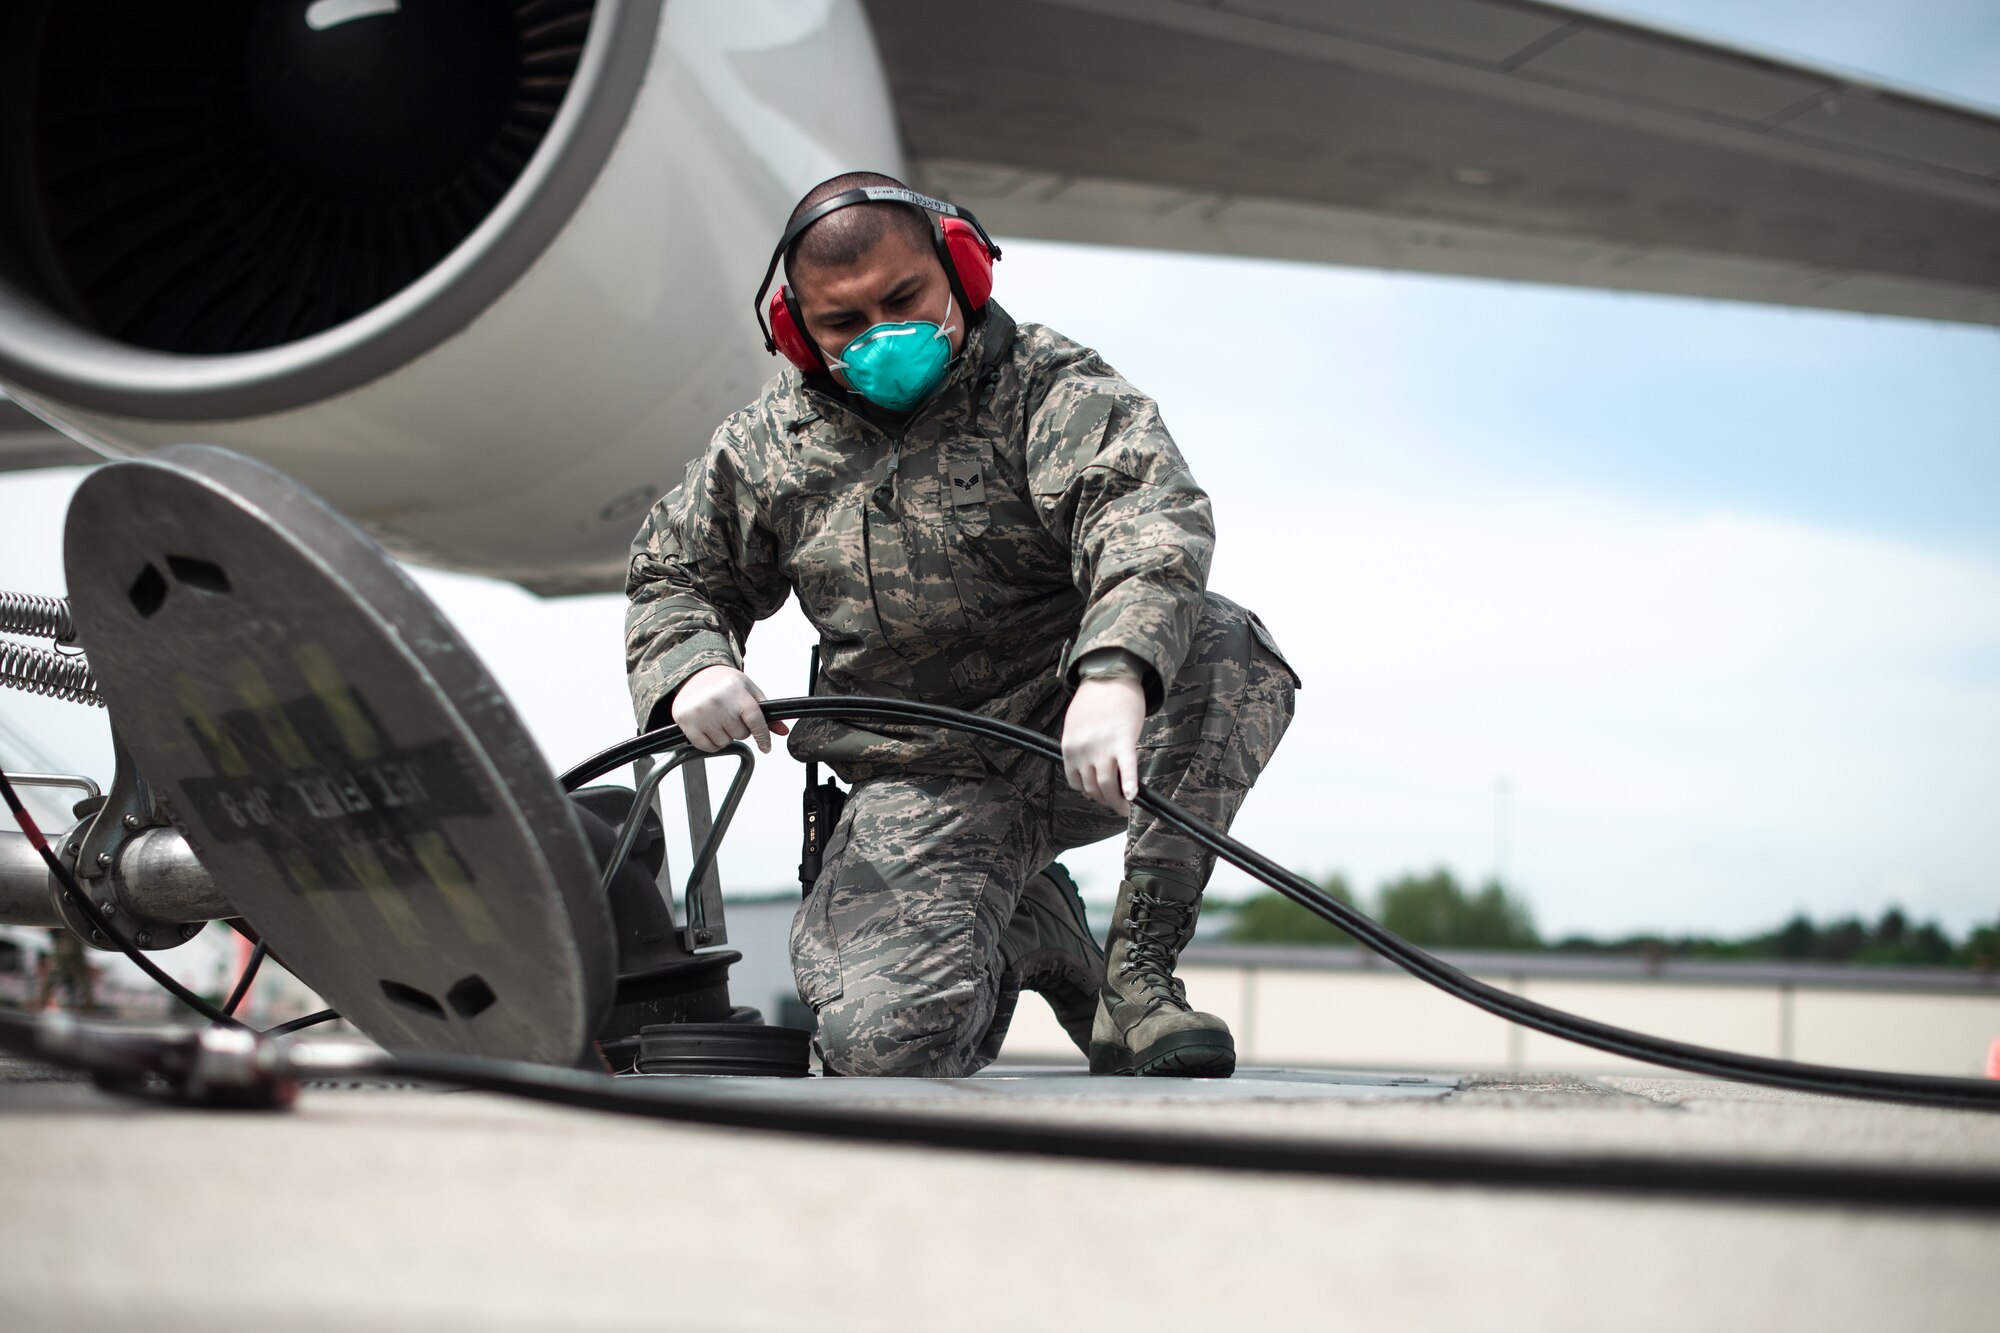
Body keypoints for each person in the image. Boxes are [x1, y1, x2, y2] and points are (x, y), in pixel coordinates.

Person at [625, 172, 1296, 1078]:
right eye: (842, 323)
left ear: (963, 273)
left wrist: (1116, 670)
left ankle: (1136, 980)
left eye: (903, 298)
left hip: (1080, 736)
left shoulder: (1048, 387)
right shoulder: (764, 448)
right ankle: (1030, 925)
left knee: (1223, 646)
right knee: (886, 1046)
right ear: (796, 331)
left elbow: (1146, 512)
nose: (879, 336)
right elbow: (675, 569)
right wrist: (695, 667)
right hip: (920, 774)